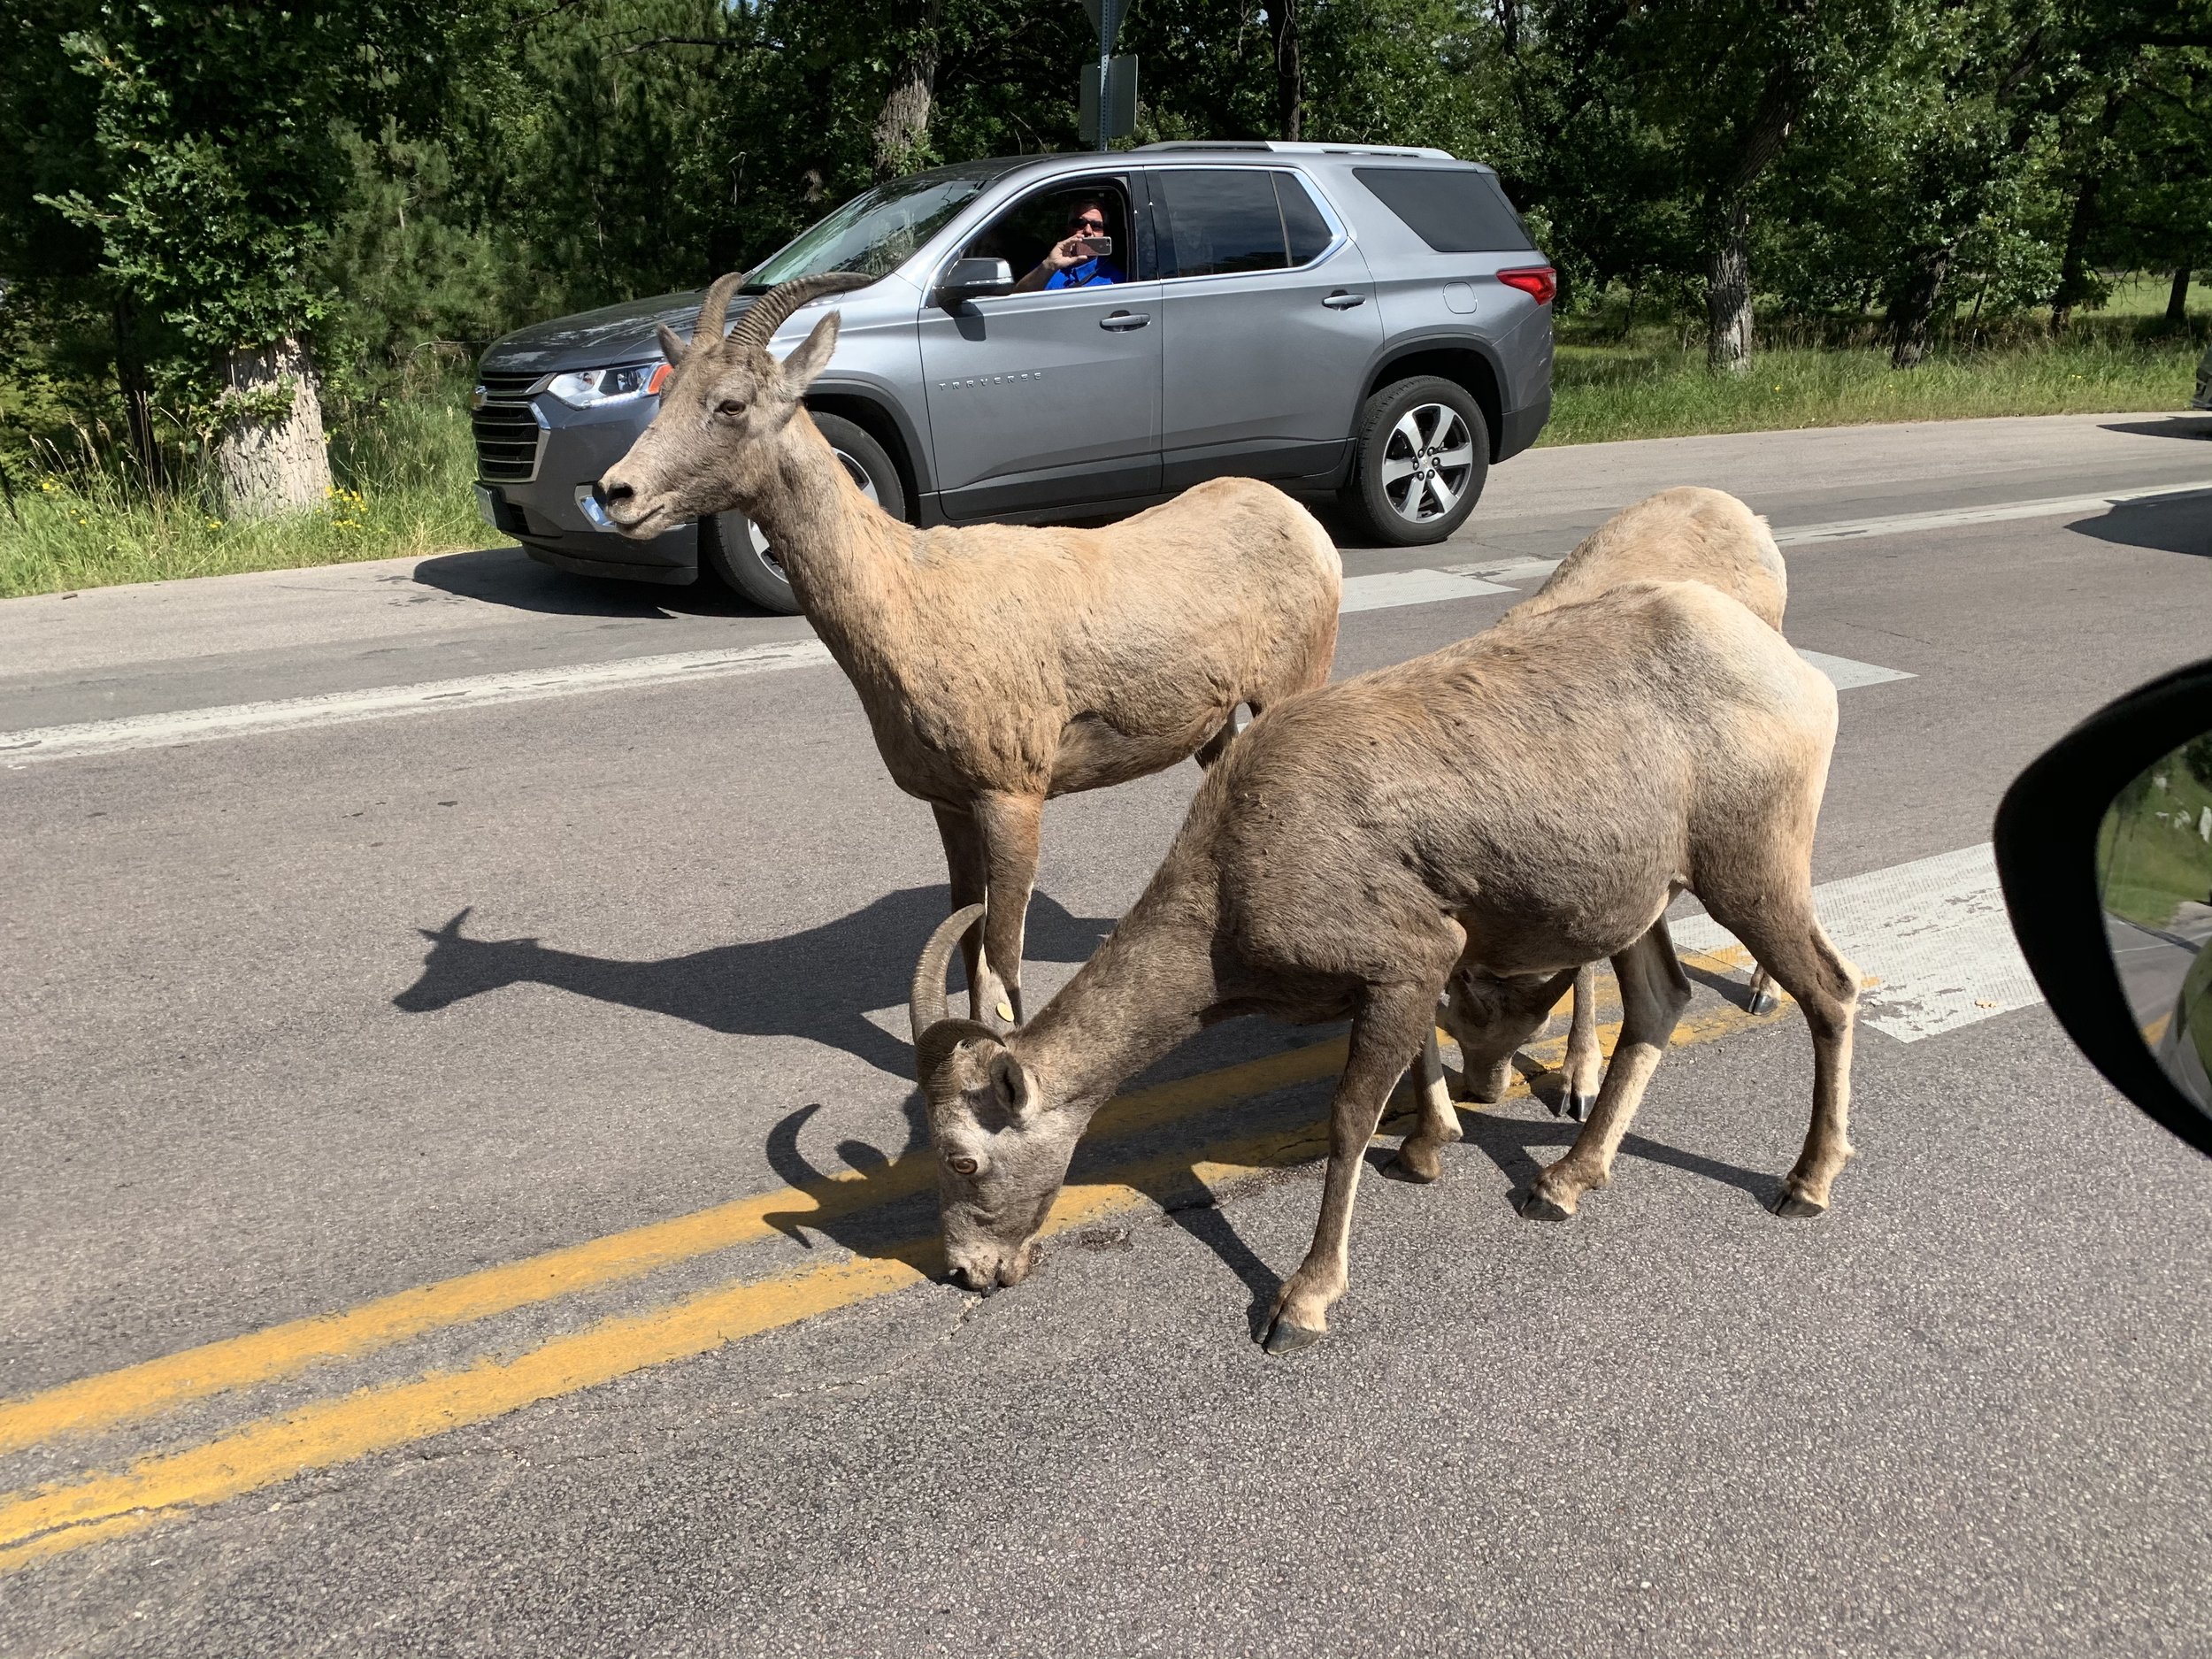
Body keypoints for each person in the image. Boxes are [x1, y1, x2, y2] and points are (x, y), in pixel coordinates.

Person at [1010, 199, 1124, 293]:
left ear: (1105, 233)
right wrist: (1049, 265)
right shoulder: (1048, 268)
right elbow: (1017, 299)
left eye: (1096, 226)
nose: (1088, 231)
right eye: (1080, 224)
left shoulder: (1115, 279)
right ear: (1068, 229)